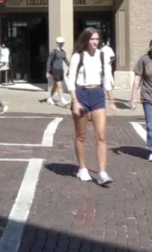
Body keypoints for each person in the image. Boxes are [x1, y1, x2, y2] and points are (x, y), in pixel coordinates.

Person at [66, 28, 114, 186]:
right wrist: (74, 101)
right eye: (92, 39)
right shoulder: (77, 57)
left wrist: (111, 100)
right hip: (81, 94)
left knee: (101, 135)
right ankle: (82, 168)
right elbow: (70, 79)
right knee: (81, 135)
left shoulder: (103, 56)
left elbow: (107, 78)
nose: (95, 42)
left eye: (97, 39)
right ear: (86, 40)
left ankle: (102, 172)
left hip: (98, 94)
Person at [45, 37, 70, 106]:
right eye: (60, 43)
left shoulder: (63, 52)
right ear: (57, 43)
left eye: (62, 43)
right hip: (55, 70)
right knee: (60, 85)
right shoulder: (54, 52)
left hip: (61, 70)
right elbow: (49, 61)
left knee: (55, 86)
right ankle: (62, 99)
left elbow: (66, 60)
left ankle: (50, 98)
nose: (61, 45)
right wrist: (47, 71)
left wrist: (71, 66)